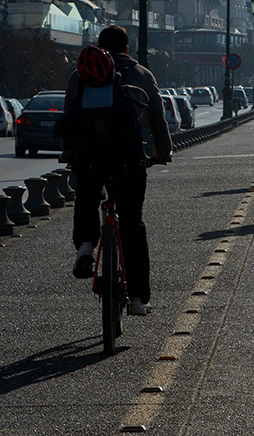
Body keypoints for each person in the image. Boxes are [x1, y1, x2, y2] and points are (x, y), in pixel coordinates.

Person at [64, 26, 173, 317]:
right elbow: (157, 120)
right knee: (132, 224)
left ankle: (86, 245)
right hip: (128, 157)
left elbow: (69, 116)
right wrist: (162, 152)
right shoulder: (141, 74)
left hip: (90, 156)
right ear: (127, 48)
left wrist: (70, 152)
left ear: (100, 46)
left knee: (87, 195)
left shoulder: (80, 75)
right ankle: (138, 298)